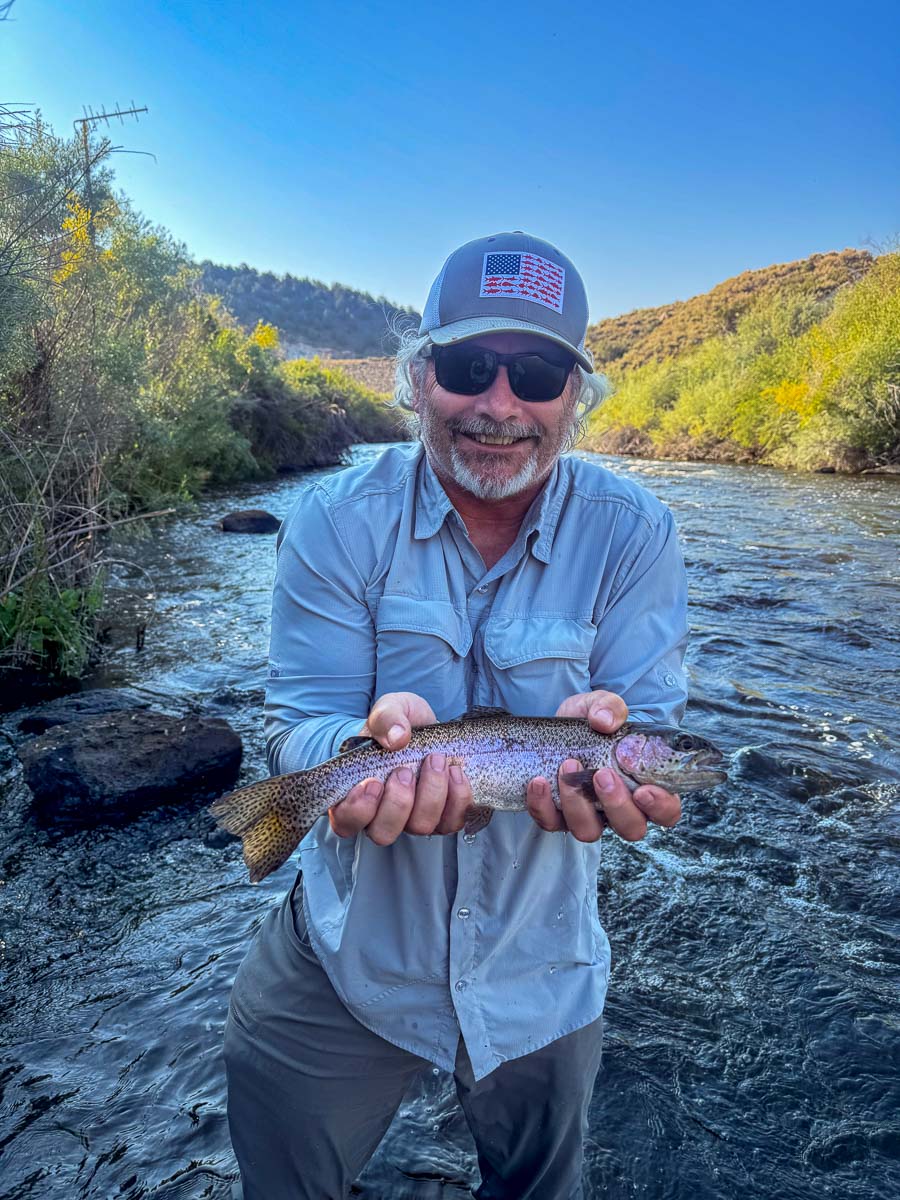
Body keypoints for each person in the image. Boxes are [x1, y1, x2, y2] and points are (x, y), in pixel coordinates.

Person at [224, 231, 688, 1200]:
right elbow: (299, 717)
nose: (500, 404)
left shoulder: (636, 533)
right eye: (470, 367)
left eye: (538, 373)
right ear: (419, 377)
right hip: (350, 955)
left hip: (541, 973)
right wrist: (348, 755)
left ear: (576, 395)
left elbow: (644, 709)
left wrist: (619, 756)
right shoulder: (331, 523)